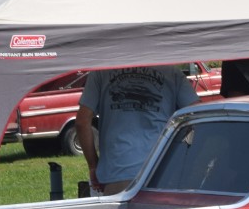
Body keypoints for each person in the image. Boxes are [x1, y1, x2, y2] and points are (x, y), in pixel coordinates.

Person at [76, 64, 199, 195]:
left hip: (117, 170)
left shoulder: (101, 71)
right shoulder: (171, 71)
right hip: (161, 169)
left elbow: (82, 122)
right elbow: (197, 113)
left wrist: (93, 165)